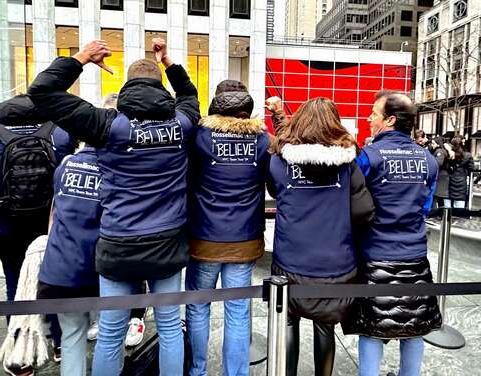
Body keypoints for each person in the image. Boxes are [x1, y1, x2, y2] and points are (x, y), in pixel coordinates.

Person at [28, 38, 200, 376]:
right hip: (166, 244)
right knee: (168, 329)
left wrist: (81, 58)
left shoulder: (105, 125)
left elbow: (42, 91)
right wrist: (168, 63)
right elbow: (190, 96)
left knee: (110, 332)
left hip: (118, 243)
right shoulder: (182, 125)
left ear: (126, 89)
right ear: (161, 88)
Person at [267, 96, 375, 376]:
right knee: (325, 326)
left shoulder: (280, 161)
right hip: (335, 263)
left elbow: (274, 191)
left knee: (287, 323)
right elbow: (364, 211)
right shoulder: (347, 164)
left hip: (290, 261)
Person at [344, 91, 442, 376]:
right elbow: (425, 207)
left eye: (373, 114)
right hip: (414, 252)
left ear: (389, 120)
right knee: (415, 327)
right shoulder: (429, 160)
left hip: (375, 253)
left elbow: (356, 205)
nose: (368, 118)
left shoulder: (368, 157)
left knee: (372, 327)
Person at [0, 95, 76, 376]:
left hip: (4, 225)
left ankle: (20, 355)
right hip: (49, 225)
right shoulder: (58, 133)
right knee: (55, 284)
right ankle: (61, 344)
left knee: (15, 285)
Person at [186, 80, 270, 376]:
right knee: (237, 312)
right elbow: (272, 181)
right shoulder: (262, 140)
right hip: (244, 239)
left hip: (204, 237)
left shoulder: (199, 136)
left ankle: (197, 371)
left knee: (198, 307)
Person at [85, 93, 148, 348]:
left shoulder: (137, 144)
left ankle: (136, 316)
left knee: (138, 270)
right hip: (108, 220)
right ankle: (109, 316)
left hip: (132, 221)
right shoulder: (97, 148)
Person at [37, 142, 102, 376]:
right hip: (98, 267)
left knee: (72, 336)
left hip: (61, 267)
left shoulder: (65, 165)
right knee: (109, 335)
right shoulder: (115, 170)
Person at [448, 136, 475, 208]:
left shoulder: (450, 156)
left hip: (451, 181)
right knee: (459, 208)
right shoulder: (468, 156)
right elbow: (472, 169)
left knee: (448, 209)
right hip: (462, 182)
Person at [430, 136, 452, 208]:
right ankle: (442, 214)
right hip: (442, 176)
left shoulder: (439, 151)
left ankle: (435, 214)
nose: (431, 145)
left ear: (438, 144)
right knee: (440, 197)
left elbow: (438, 163)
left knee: (436, 196)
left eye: (433, 143)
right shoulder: (441, 150)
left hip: (440, 177)